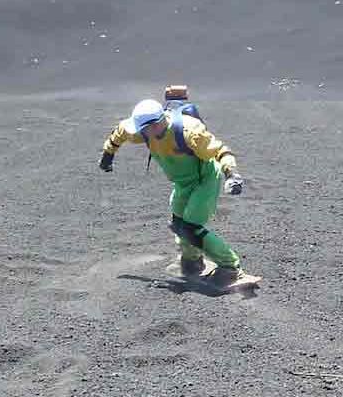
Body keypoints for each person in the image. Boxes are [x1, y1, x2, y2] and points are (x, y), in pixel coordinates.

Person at [99, 97, 248, 285]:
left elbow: (221, 151)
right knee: (178, 224)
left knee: (191, 227)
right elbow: (120, 132)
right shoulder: (145, 132)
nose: (141, 134)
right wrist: (108, 154)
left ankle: (230, 268)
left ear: (156, 124)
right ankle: (192, 262)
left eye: (145, 129)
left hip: (204, 180)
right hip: (182, 183)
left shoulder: (188, 132)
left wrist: (232, 175)